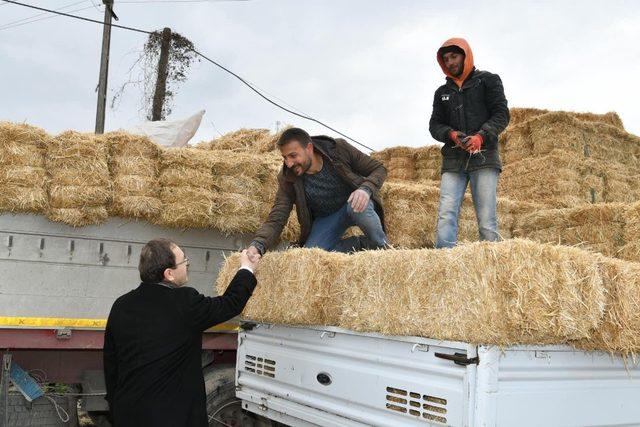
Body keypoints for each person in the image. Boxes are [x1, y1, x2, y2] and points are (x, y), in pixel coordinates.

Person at [103, 239, 259, 427]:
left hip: (128, 414)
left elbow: (111, 365)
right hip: (173, 417)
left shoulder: (121, 305)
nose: (187, 266)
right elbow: (230, 303)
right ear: (169, 273)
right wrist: (247, 268)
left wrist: (117, 407)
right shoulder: (184, 302)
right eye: (184, 262)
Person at [247, 127, 388, 258]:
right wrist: (258, 245)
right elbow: (278, 216)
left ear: (309, 148)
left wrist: (365, 189)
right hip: (327, 217)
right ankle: (363, 245)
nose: (289, 163)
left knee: (357, 206)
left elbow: (379, 169)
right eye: (285, 157)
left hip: (355, 204)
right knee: (310, 257)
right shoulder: (288, 177)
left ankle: (384, 249)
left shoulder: (338, 149)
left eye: (293, 156)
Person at [429, 37, 510, 248]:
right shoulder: (442, 93)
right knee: (446, 214)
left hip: (484, 157)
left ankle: (491, 270)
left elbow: (501, 115)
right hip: (453, 160)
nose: (450, 62)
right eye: (445, 59)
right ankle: (444, 268)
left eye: (454, 56)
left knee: (486, 220)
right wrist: (452, 135)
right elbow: (434, 125)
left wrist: (481, 136)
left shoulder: (489, 80)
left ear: (466, 55)